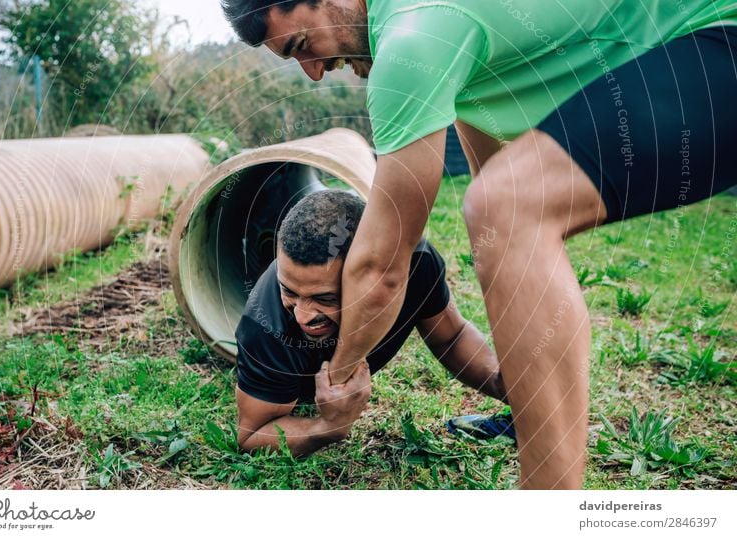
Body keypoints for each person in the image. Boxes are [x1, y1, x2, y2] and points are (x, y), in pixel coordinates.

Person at [222, 0, 737, 488]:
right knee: (502, 214)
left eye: (302, 44)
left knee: (506, 207)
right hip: (677, 55)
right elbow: (494, 180)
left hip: (714, 36)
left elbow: (381, 265)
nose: (312, 72)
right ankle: (529, 414)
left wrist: (339, 381)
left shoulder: (409, 38)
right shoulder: (440, 42)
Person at [235, 190, 513, 456]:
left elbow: (451, 338)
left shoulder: (413, 264)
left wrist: (511, 388)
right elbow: (252, 435)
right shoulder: (264, 326)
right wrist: (328, 426)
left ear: (369, 275)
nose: (303, 315)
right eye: (289, 291)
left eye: (325, 298)